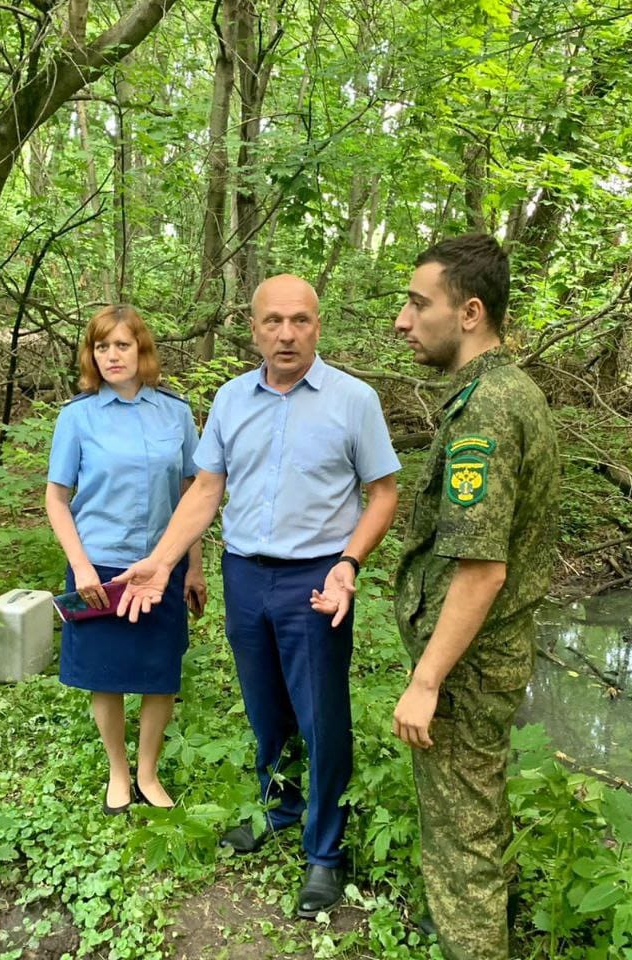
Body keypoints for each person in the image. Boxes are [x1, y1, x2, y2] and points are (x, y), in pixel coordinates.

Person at [115, 275, 400, 916]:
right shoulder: (230, 400)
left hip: (316, 579)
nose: (287, 333)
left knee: (322, 714)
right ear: (254, 329)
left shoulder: (353, 400)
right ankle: (280, 805)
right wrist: (161, 562)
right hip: (245, 573)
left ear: (318, 326)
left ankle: (324, 851)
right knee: (265, 704)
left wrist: (350, 562)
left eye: (300, 320)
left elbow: (383, 494)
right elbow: (206, 489)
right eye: (273, 321)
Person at [391, 233, 559, 960]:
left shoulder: (488, 411)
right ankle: (492, 916)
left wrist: (426, 681)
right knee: (479, 806)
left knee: (460, 833)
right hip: (492, 653)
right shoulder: (505, 390)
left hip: (467, 666)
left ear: (469, 312)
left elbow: (480, 568)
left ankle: (475, 940)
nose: (403, 319)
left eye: (417, 302)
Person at [44, 304, 208, 815]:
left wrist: (194, 566)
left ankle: (148, 771)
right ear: (91, 355)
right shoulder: (78, 417)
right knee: (106, 672)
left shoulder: (176, 413)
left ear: (142, 349)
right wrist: (84, 566)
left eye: (122, 345)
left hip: (162, 565)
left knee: (160, 672)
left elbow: (192, 494)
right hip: (100, 565)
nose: (112, 356)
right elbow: (56, 498)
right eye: (101, 346)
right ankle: (118, 771)